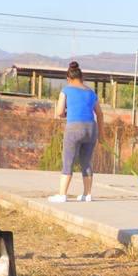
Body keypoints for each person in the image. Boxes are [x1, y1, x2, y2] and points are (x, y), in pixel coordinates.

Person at [48, 61, 104, 202]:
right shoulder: (91, 92)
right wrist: (101, 135)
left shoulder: (66, 90)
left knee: (68, 161)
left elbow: (59, 112)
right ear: (82, 77)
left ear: (69, 78)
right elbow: (100, 114)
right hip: (91, 128)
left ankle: (62, 195)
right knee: (86, 161)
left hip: (74, 128)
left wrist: (67, 112)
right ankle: (87, 194)